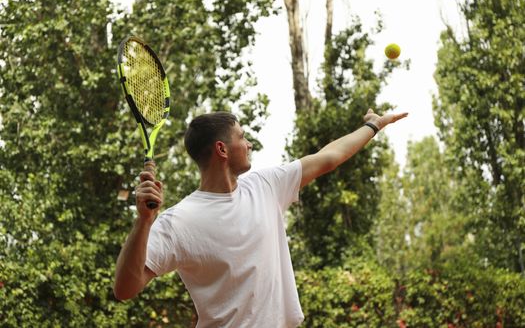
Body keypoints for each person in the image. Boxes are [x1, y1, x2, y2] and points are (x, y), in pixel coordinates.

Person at [113, 108, 408, 327]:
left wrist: (372, 126)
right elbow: (126, 289)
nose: (249, 143)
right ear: (222, 149)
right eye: (242, 137)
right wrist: (143, 222)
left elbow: (328, 157)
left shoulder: (266, 186)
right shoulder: (178, 221)